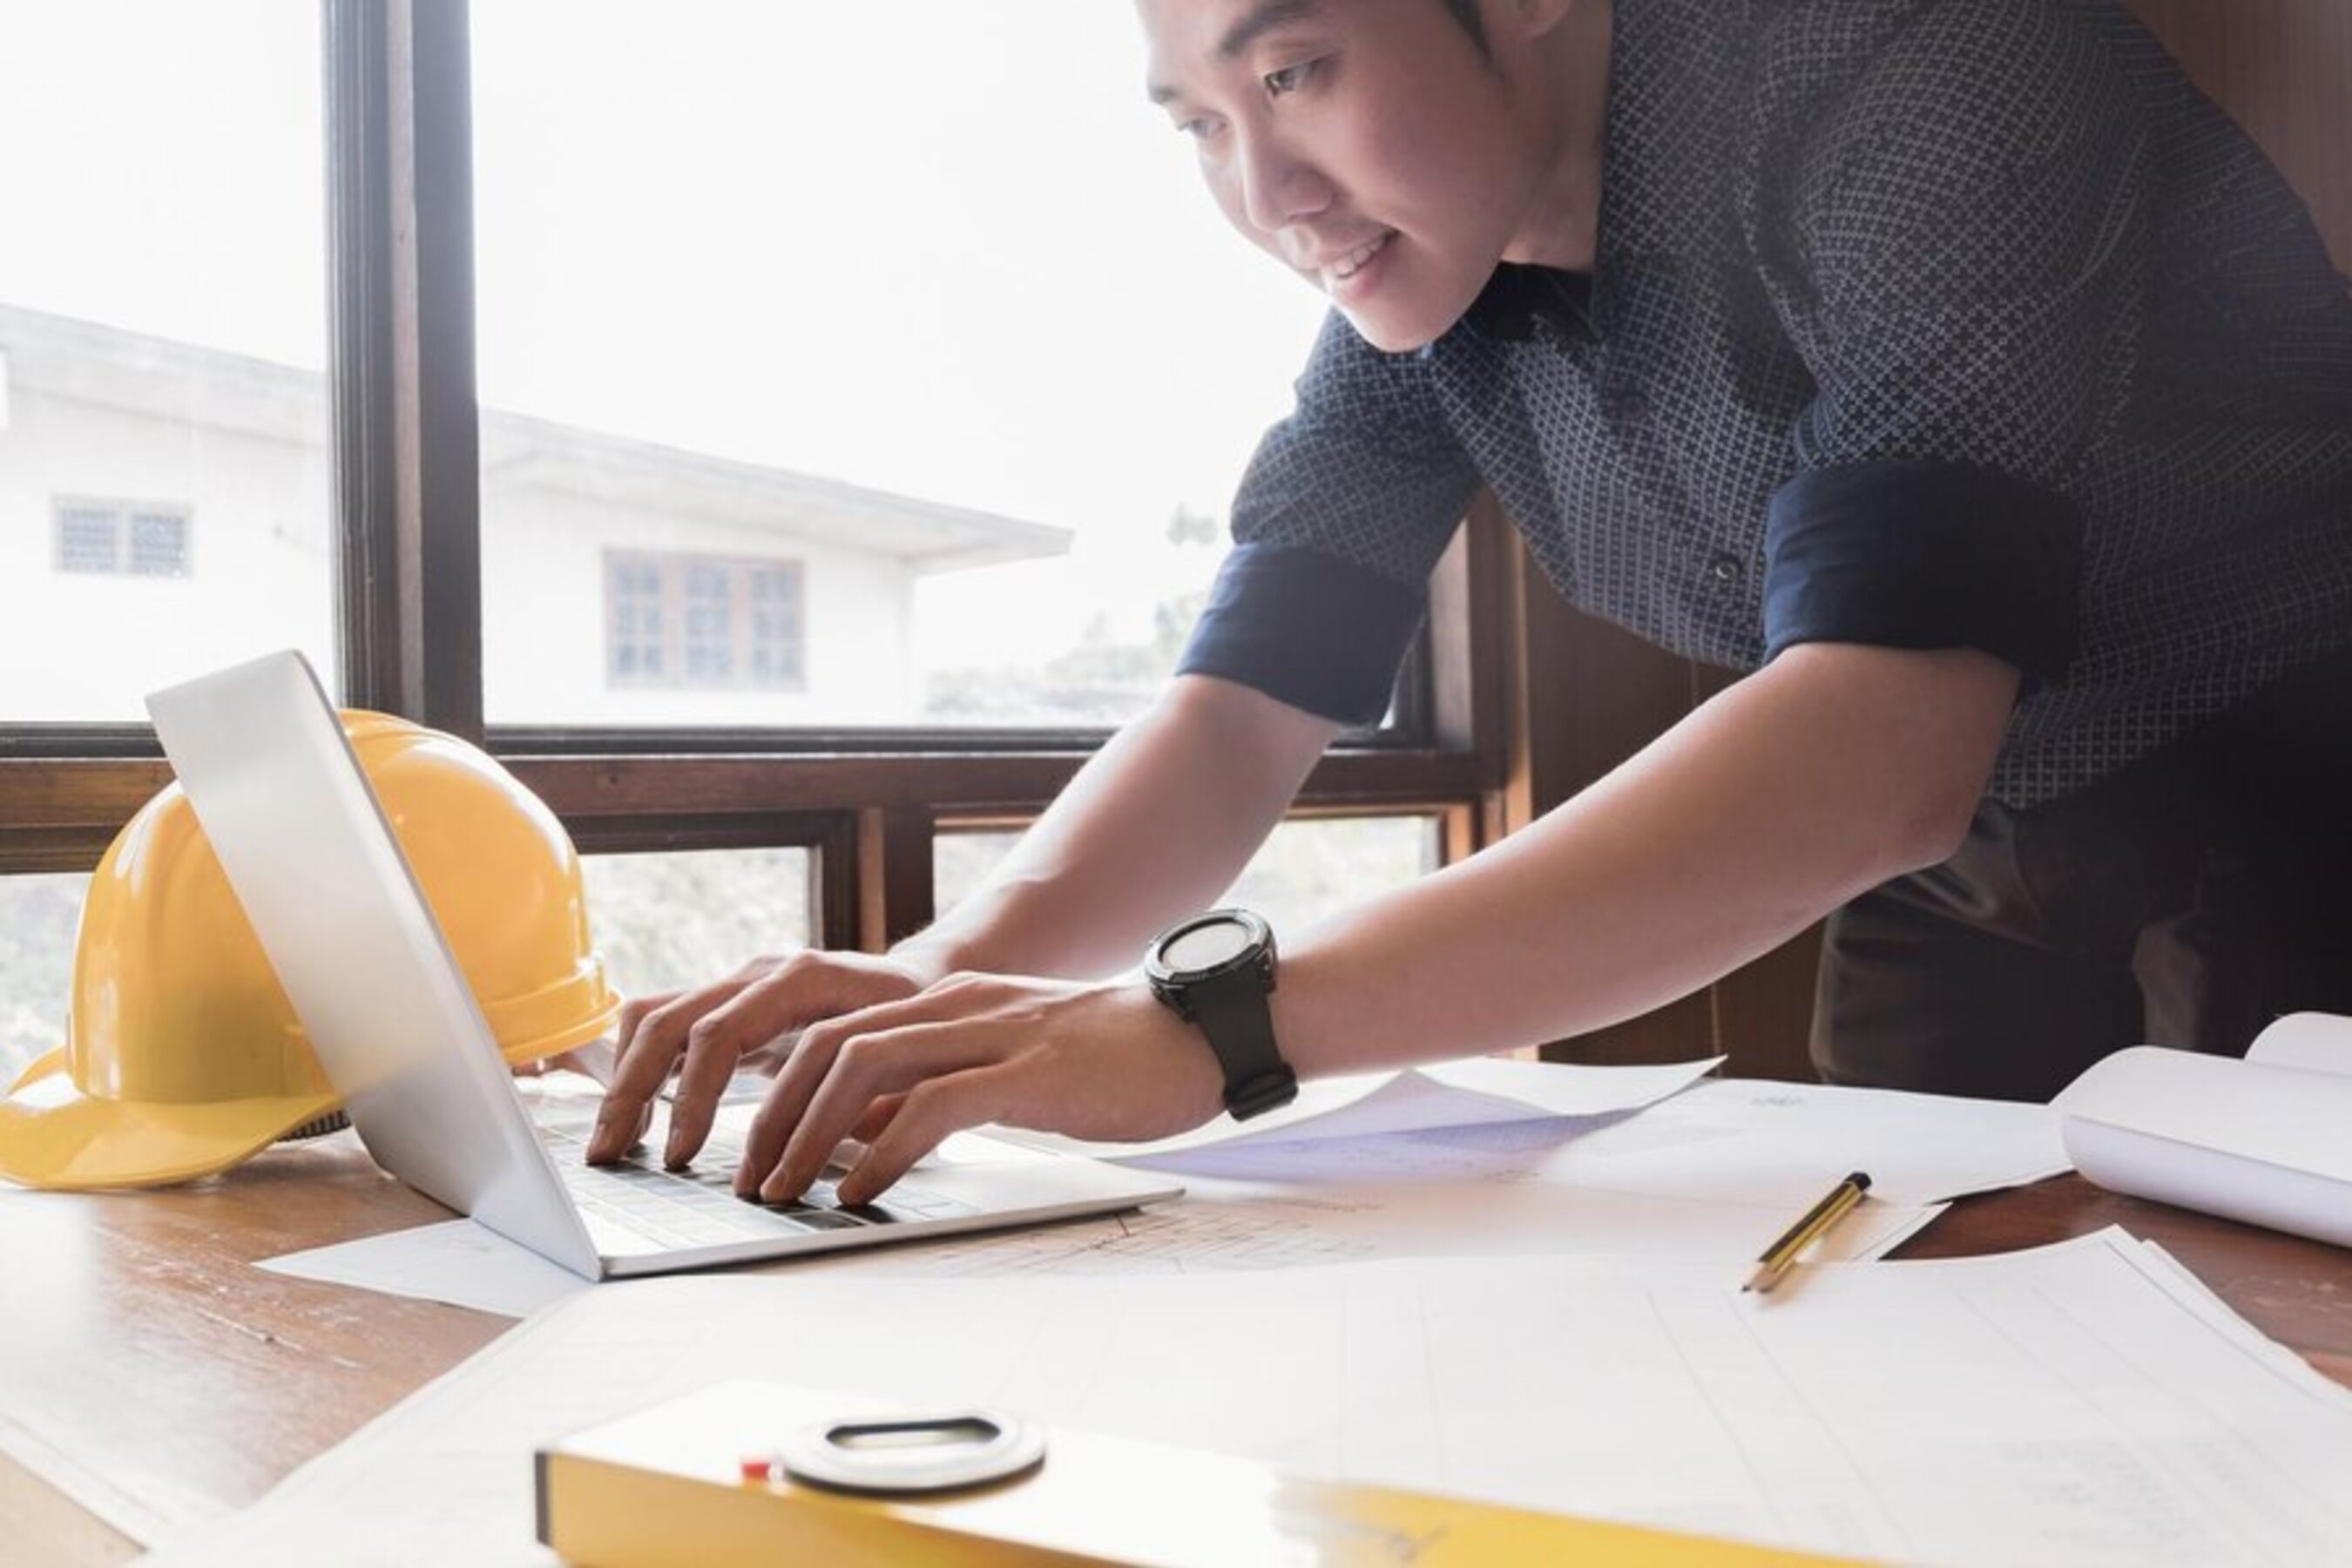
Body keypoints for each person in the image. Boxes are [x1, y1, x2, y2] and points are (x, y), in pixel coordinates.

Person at [587, 0, 2352, 1205]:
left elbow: (1881, 728)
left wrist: (1204, 1036)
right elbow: (1246, 700)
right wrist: (932, 990)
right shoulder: (1427, 283)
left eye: (1294, 72)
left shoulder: (1921, 70)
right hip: (1950, 861)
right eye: (1198, 120)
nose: (1263, 197)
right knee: (1920, 1294)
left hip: (2297, 778)